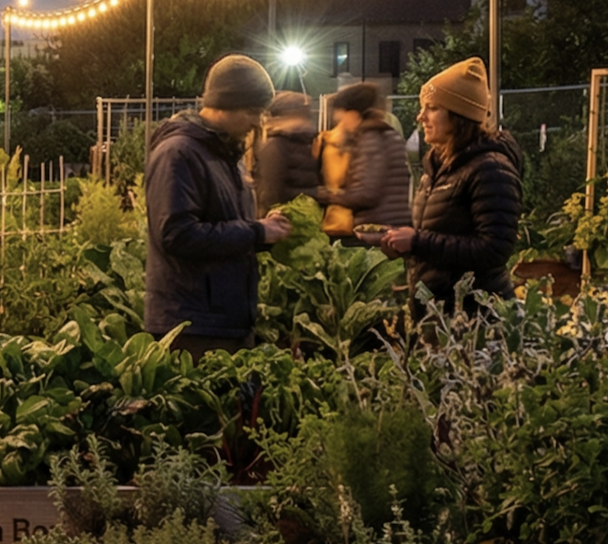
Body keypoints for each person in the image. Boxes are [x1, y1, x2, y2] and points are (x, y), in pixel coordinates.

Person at [143, 54, 292, 357]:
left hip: (224, 321)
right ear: (227, 104)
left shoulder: (225, 155)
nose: (256, 122)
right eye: (253, 111)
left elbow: (223, 225)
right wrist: (255, 232)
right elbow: (177, 234)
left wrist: (267, 230)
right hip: (192, 326)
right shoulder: (179, 153)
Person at [370, 58, 521, 308]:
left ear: (458, 115)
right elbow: (441, 235)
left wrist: (417, 241)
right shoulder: (437, 166)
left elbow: (494, 249)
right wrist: (402, 244)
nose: (421, 117)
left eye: (432, 108)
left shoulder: (490, 169)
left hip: (475, 320)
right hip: (441, 314)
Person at [316, 82, 411, 242]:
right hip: (392, 226)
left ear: (353, 114)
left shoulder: (370, 139)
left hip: (379, 231)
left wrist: (327, 195)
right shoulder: (387, 133)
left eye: (342, 116)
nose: (341, 123)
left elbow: (368, 193)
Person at [253, 91, 323, 210]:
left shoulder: (307, 142)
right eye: (302, 114)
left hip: (305, 214)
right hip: (285, 217)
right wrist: (317, 193)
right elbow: (270, 191)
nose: (306, 120)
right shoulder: (276, 145)